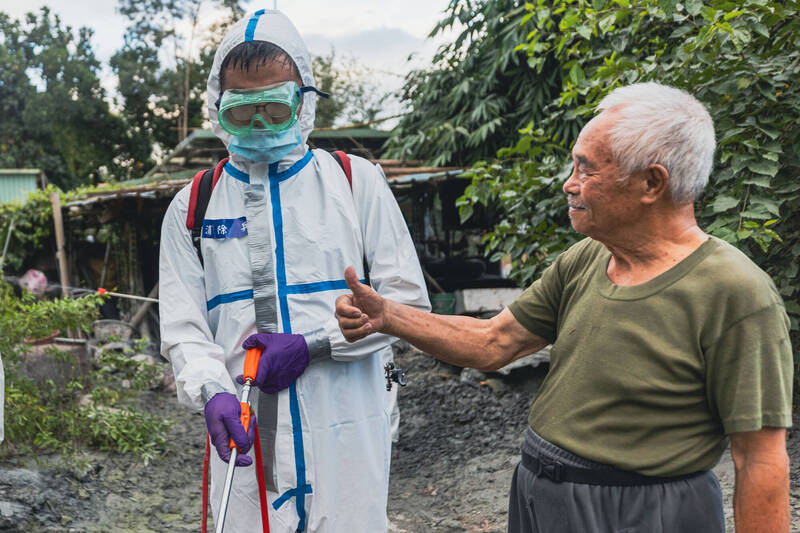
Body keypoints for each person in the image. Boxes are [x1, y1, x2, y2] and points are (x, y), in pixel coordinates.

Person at [336, 82, 793, 533]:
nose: (568, 184)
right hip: (543, 492)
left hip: (641, 512)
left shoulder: (734, 291)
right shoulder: (590, 257)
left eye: (585, 169)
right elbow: (492, 341)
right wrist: (388, 316)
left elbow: (759, 457)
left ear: (652, 182)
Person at [159, 9, 429, 533]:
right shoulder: (192, 207)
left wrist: (316, 345)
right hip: (242, 429)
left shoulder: (356, 183)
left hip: (347, 425)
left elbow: (408, 305)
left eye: (273, 108)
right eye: (243, 112)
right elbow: (184, 330)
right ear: (218, 109)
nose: (258, 124)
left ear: (302, 103)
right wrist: (211, 390)